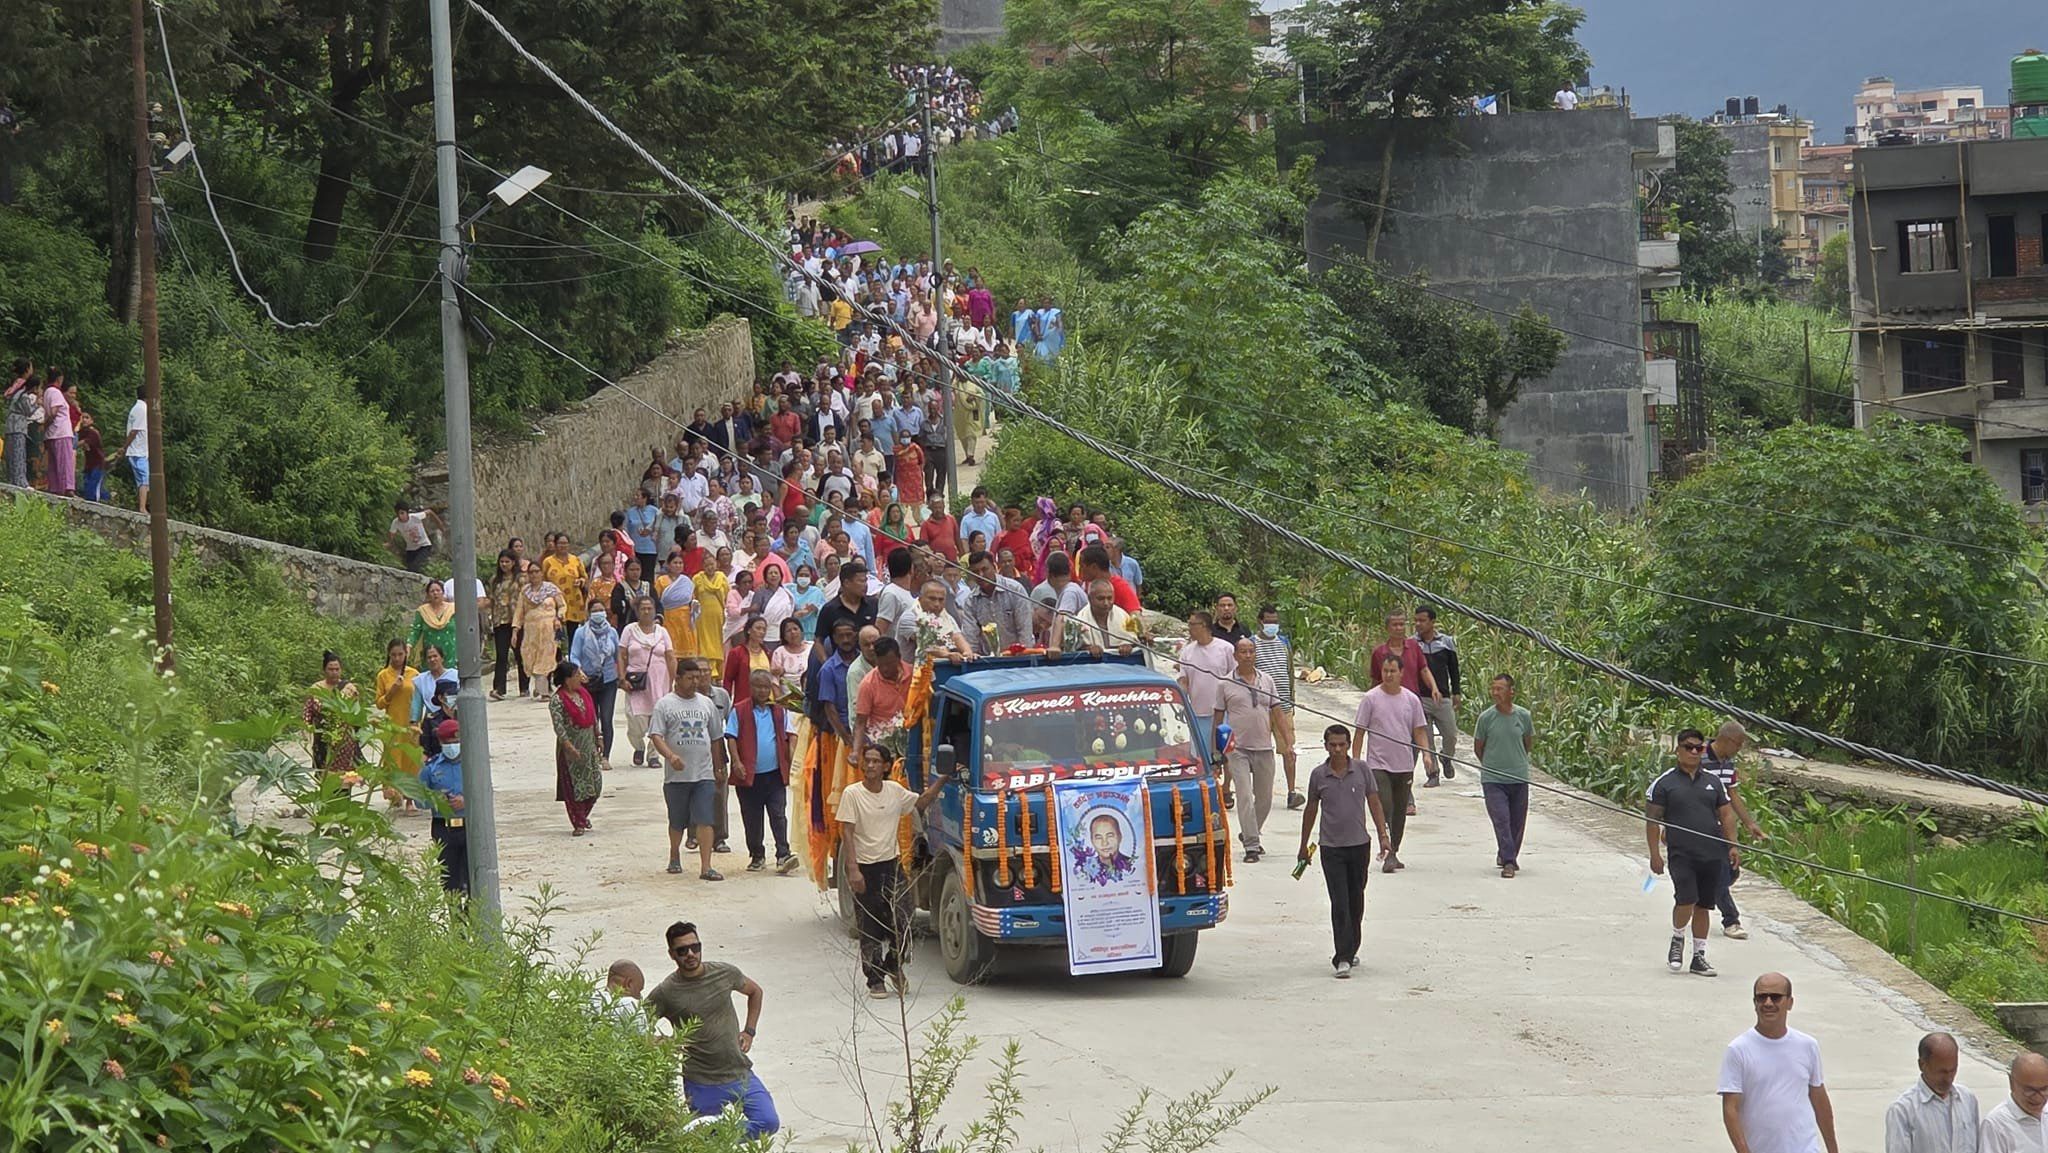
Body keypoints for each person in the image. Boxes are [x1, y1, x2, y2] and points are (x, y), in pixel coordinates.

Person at [647, 921, 779, 1138]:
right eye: (682, 950)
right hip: (701, 1082)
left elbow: (755, 992)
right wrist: (665, 1042)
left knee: (768, 1122)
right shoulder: (666, 992)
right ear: (672, 954)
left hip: (739, 1072)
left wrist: (749, 1032)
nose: (690, 954)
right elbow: (636, 1023)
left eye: (695, 947)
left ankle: (720, 1139)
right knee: (703, 1139)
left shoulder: (724, 973)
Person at [836, 744, 946, 998]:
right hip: (864, 867)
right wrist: (853, 869)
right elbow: (847, 832)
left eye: (876, 761)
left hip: (891, 865)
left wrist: (944, 778)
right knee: (870, 927)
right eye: (868, 761)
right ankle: (875, 980)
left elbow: (921, 802)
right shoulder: (852, 794)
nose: (871, 766)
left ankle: (893, 966)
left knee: (905, 923)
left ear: (887, 766)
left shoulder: (895, 791)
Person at [1298, 723, 1391, 978]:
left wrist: (1384, 835)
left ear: (1349, 745)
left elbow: (1374, 801)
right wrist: (1303, 846)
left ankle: (1351, 947)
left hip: (1359, 845)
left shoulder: (1361, 770)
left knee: (1355, 901)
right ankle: (1342, 956)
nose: (1337, 749)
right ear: (1325, 746)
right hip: (1331, 848)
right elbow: (1311, 810)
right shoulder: (1319, 775)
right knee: (1338, 902)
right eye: (1333, 745)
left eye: (1342, 744)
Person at [1647, 727, 1737, 976]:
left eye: (1699, 748)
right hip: (1681, 853)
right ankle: (1677, 940)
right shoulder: (1665, 783)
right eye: (1689, 747)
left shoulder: (1713, 782)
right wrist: (1654, 854)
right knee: (1686, 899)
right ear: (1678, 750)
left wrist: (1732, 846)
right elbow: (1653, 820)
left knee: (1704, 906)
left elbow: (1726, 814)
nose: (1694, 752)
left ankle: (1699, 956)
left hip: (1711, 853)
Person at [1718, 972, 1839, 1153]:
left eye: (1775, 997)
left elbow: (1819, 1098)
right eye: (1761, 997)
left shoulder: (1808, 1045)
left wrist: (1833, 1149)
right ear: (1754, 1003)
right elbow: (1730, 1109)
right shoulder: (1738, 1050)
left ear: (1790, 1003)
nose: (1768, 1003)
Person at [1350, 655, 1433, 873]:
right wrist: (1356, 762)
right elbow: (1360, 732)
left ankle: (1394, 850)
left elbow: (1419, 731)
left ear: (1401, 673)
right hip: (1378, 764)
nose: (1388, 675)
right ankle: (1386, 850)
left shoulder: (1411, 700)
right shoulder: (1371, 699)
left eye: (1392, 671)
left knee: (1399, 812)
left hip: (1404, 764)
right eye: (1385, 671)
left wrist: (1426, 755)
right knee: (1384, 806)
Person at [650, 657, 727, 880]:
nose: (696, 682)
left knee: (705, 818)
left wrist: (718, 765)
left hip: (703, 773)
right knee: (677, 820)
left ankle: (706, 866)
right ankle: (674, 856)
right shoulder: (665, 704)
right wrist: (670, 756)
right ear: (678, 679)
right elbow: (656, 735)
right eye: (690, 678)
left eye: (699, 677)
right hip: (676, 777)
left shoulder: (706, 704)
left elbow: (715, 737)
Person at [1215, 638, 1283, 864]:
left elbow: (1277, 712)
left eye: (1251, 651)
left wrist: (1287, 742)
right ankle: (1252, 845)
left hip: (1264, 746)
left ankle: (1249, 830)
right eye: (1242, 651)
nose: (1247, 655)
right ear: (1235, 656)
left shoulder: (1267, 680)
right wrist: (1216, 748)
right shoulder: (1224, 683)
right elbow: (1218, 717)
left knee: (1264, 798)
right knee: (1244, 795)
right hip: (1238, 749)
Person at [726, 667, 800, 874]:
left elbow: (790, 736)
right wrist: (737, 762)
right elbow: (731, 737)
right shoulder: (739, 710)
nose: (762, 691)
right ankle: (757, 855)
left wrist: (791, 762)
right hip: (749, 775)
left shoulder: (779, 710)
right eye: (758, 686)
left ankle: (783, 854)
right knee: (752, 817)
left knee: (778, 814)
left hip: (774, 774)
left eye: (766, 687)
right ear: (751, 687)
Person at [1703, 720, 1769, 940]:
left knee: (1731, 871)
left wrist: (1750, 823)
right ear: (1729, 740)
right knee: (1720, 873)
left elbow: (1733, 795)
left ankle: (1704, 892)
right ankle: (1731, 920)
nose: (1739, 749)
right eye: (1739, 744)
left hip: (1722, 826)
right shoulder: (1698, 756)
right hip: (1701, 826)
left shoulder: (1728, 762)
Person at [1472, 673, 1535, 877]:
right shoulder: (1486, 718)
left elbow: (1527, 743)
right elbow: (1478, 747)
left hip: (1518, 777)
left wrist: (1515, 762)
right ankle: (1509, 862)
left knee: (1517, 823)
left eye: (1500, 689)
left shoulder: (1523, 716)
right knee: (1501, 819)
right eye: (1493, 688)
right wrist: (1490, 766)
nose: (1495, 693)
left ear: (1511, 692)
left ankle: (1506, 853)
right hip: (1493, 780)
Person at [1883, 1031, 1978, 1153]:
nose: (1949, 1079)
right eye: (1942, 1072)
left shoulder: (1967, 1100)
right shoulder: (1903, 1111)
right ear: (1922, 1065)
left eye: (1953, 1070)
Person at [619, 595, 676, 768]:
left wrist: (672, 681)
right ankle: (638, 746)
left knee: (658, 719)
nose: (646, 611)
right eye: (642, 608)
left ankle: (653, 755)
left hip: (660, 680)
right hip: (636, 682)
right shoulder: (629, 630)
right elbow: (621, 656)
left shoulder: (662, 632)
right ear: (637, 611)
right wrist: (622, 678)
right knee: (635, 720)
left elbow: (670, 657)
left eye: (649, 608)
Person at [549, 660, 604, 835]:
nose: (580, 678)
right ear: (567, 679)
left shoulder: (584, 694)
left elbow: (593, 717)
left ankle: (583, 815)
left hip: (589, 746)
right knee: (574, 788)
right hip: (571, 750)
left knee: (595, 785)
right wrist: (569, 747)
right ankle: (578, 822)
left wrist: (599, 736)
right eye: (576, 675)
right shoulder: (557, 700)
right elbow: (559, 727)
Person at [419, 719, 469, 895]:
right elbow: (419, 800)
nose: (453, 746)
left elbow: (486, 792)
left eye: (456, 742)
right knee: (450, 881)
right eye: (449, 743)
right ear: (441, 743)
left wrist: (467, 801)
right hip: (444, 828)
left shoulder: (472, 765)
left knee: (472, 880)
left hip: (469, 825)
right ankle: (456, 919)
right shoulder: (430, 768)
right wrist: (437, 800)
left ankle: (472, 918)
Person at [372, 639, 422, 813]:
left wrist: (417, 720)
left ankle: (410, 800)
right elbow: (379, 704)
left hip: (411, 724)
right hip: (392, 725)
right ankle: (394, 794)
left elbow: (419, 699)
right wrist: (391, 692)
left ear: (405, 654)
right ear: (388, 655)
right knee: (393, 761)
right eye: (393, 655)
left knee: (411, 761)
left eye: (400, 654)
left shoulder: (414, 674)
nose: (397, 658)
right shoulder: (383, 676)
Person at [1414, 606, 1461, 787]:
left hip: (1442, 697)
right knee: (1427, 739)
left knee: (1450, 734)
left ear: (1432, 622)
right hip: (1420, 698)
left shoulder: (1446, 642)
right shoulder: (1412, 644)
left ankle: (1447, 757)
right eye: (1416, 620)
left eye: (1422, 620)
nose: (1418, 624)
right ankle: (1432, 773)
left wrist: (1456, 692)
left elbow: (1453, 669)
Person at [1177, 611, 1237, 748]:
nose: (1189, 628)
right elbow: (1183, 679)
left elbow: (1235, 677)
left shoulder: (1226, 648)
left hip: (1224, 714)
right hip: (1198, 713)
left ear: (1203, 625)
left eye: (1192, 624)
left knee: (1226, 753)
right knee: (1202, 755)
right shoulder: (1187, 651)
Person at [570, 602, 621, 763]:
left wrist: (621, 675)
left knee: (606, 718)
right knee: (592, 719)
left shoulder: (612, 632)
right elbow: (574, 655)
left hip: (608, 680)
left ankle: (606, 755)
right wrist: (579, 672)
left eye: (601, 610)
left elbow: (618, 655)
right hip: (588, 681)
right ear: (589, 613)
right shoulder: (581, 633)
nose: (598, 613)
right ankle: (593, 752)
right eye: (594, 611)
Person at [513, 563, 566, 702]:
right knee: (530, 658)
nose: (534, 574)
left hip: (548, 629)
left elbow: (562, 605)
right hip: (531, 631)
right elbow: (519, 612)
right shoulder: (525, 591)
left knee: (545, 659)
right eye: (531, 572)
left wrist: (558, 617)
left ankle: (544, 692)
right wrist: (515, 630)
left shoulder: (551, 589)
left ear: (541, 573)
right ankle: (540, 685)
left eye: (537, 571)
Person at [303, 651, 361, 777]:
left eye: (337, 669)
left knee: (344, 780)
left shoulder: (349, 688)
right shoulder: (316, 690)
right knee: (324, 780)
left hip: (344, 743)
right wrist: (306, 731)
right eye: (330, 669)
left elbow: (357, 715)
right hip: (322, 741)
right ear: (324, 670)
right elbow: (307, 714)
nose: (334, 672)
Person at [1982, 1053, 2048, 1153]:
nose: (2038, 1097)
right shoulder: (1996, 1125)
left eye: (2044, 1089)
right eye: (2030, 1090)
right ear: (2012, 1083)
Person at [487, 551, 527, 701]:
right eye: (501, 562)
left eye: (507, 562)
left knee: (520, 654)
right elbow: (491, 600)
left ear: (513, 563)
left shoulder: (521, 579)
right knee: (501, 655)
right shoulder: (495, 581)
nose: (504, 565)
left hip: (518, 621)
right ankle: (499, 688)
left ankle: (524, 687)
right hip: (500, 621)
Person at [406, 580, 458, 672]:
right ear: (428, 594)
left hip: (450, 653)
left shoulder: (453, 609)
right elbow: (415, 631)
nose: (435, 593)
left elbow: (462, 630)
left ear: (443, 593)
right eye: (432, 591)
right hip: (430, 655)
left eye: (438, 590)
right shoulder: (422, 611)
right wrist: (409, 646)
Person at [388, 501, 445, 573]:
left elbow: (429, 512)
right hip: (411, 549)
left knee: (415, 566)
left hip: (424, 546)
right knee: (409, 568)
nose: (400, 516)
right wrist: (389, 542)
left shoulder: (415, 517)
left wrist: (439, 524)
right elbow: (392, 533)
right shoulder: (396, 522)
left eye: (402, 513)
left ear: (407, 512)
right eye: (398, 514)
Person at [122, 384, 151, 512]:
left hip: (139, 450)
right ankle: (142, 508)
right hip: (138, 451)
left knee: (143, 481)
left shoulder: (138, 408)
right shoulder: (142, 410)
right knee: (144, 479)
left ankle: (142, 506)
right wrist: (125, 447)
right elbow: (134, 431)